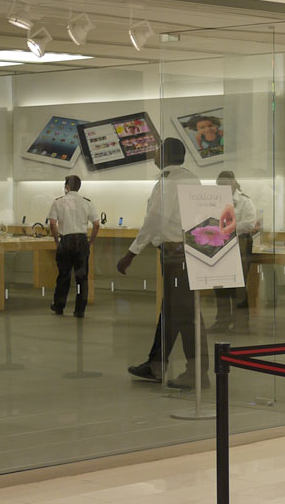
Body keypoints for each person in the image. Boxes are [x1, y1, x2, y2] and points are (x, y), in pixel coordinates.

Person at [117, 137, 207, 389]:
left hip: (175, 256)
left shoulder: (168, 182)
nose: (154, 155)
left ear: (165, 155)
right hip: (191, 252)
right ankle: (157, 364)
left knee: (185, 315)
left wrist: (131, 253)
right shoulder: (192, 179)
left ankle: (198, 372)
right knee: (173, 311)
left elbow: (155, 220)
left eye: (157, 151)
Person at [210, 170, 259, 333]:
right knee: (220, 285)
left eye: (225, 184)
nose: (222, 188)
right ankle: (222, 322)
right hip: (220, 245)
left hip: (240, 245)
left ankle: (241, 324)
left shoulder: (245, 201)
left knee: (238, 286)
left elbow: (249, 223)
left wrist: (225, 228)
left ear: (233, 183)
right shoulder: (214, 201)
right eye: (219, 185)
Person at [47, 175, 100, 318]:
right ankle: (79, 309)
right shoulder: (87, 202)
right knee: (81, 277)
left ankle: (59, 306)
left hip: (66, 240)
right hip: (82, 240)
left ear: (67, 186)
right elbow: (96, 224)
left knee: (63, 275)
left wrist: (57, 241)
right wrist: (90, 242)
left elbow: (52, 223)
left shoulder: (58, 202)